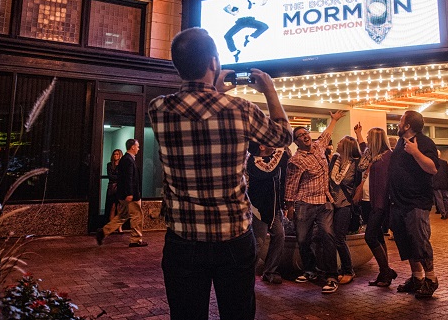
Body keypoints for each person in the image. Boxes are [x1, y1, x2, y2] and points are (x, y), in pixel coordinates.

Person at [147, 27, 292, 320]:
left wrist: (214, 89)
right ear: (213, 63)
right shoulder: (241, 109)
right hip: (233, 236)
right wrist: (270, 90)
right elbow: (284, 137)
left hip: (183, 238)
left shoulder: (158, 109)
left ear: (177, 66)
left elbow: (199, 110)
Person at [285, 110, 346, 295]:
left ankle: (331, 276)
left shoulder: (319, 147)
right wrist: (289, 208)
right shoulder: (296, 161)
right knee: (303, 239)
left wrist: (334, 120)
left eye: (306, 133)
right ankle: (310, 270)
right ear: (296, 142)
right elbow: (290, 185)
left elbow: (327, 134)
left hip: (324, 202)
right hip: (305, 203)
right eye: (300, 136)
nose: (305, 137)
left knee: (328, 235)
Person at [388, 111, 439, 299]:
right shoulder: (401, 144)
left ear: (408, 125)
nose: (398, 123)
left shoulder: (424, 143)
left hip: (416, 201)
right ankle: (417, 277)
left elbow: (432, 168)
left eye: (401, 120)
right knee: (406, 242)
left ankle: (431, 279)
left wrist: (416, 152)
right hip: (399, 202)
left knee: (419, 241)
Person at [355, 126, 396, 287]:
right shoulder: (372, 155)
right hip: (367, 200)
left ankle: (386, 271)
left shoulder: (387, 157)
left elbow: (387, 182)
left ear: (376, 140)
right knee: (377, 236)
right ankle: (384, 273)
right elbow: (364, 147)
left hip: (379, 202)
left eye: (369, 137)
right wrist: (358, 134)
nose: (367, 139)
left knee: (370, 236)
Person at [246, 142, 290, 285]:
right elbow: (268, 171)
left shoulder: (272, 159)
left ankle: (270, 271)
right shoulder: (253, 161)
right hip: (259, 209)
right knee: (258, 243)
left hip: (274, 208)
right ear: (261, 147)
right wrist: (281, 150)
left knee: (279, 236)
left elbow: (282, 174)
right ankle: (246, 276)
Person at [96, 139, 146, 247]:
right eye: (137, 146)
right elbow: (128, 178)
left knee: (122, 216)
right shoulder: (128, 160)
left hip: (124, 195)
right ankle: (136, 240)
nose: (138, 148)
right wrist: (130, 193)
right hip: (130, 196)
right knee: (137, 215)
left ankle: (103, 232)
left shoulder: (125, 159)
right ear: (132, 147)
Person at [328, 135, 361, 285]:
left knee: (340, 238)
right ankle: (338, 269)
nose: (337, 143)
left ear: (346, 146)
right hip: (331, 203)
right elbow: (329, 180)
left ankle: (349, 270)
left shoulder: (355, 164)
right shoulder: (335, 160)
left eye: (340, 142)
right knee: (331, 237)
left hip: (345, 204)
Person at [104, 149, 123, 227]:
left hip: (120, 188)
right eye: (114, 154)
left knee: (119, 208)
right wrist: (118, 177)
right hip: (112, 188)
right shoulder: (109, 165)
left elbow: (122, 176)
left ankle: (119, 227)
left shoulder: (122, 165)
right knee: (112, 207)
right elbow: (110, 176)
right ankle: (111, 226)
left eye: (117, 154)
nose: (116, 156)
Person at [432, 150, 448, 220]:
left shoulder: (432, 162)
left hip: (435, 183)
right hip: (444, 183)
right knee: (446, 198)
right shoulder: (444, 162)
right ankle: (447, 212)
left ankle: (443, 213)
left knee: (439, 199)